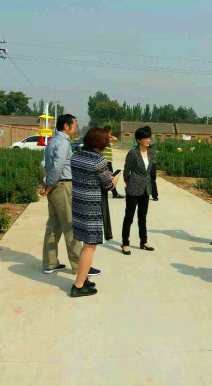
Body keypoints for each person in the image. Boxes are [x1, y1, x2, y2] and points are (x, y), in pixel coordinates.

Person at [41, 114, 99, 277]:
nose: (76, 129)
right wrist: (49, 184)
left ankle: (50, 263)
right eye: (74, 126)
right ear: (66, 126)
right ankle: (80, 266)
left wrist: (47, 184)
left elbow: (46, 165)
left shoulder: (52, 141)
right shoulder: (64, 143)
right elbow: (58, 168)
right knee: (70, 227)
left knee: (53, 227)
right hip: (63, 187)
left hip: (55, 188)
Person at [70, 127, 120, 297]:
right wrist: (115, 178)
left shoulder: (76, 155)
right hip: (92, 208)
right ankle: (78, 286)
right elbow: (108, 186)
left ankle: (83, 278)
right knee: (89, 246)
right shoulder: (99, 161)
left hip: (78, 204)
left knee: (85, 243)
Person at [121, 127, 155, 255]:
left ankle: (143, 241)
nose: (148, 140)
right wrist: (127, 182)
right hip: (133, 188)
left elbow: (149, 171)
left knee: (142, 217)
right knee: (129, 217)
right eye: (146, 138)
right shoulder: (133, 153)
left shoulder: (151, 153)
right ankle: (125, 243)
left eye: (149, 137)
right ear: (139, 140)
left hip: (146, 188)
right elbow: (126, 170)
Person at [102, 125, 124, 199]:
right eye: (110, 131)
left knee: (109, 177)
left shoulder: (103, 138)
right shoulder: (105, 138)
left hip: (107, 161)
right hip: (106, 161)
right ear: (109, 131)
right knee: (111, 177)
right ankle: (114, 193)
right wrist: (108, 135)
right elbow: (115, 138)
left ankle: (113, 192)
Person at [142, 126, 159, 201]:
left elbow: (145, 145)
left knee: (152, 179)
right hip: (145, 161)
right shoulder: (146, 139)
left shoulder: (153, 139)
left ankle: (155, 195)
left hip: (151, 162)